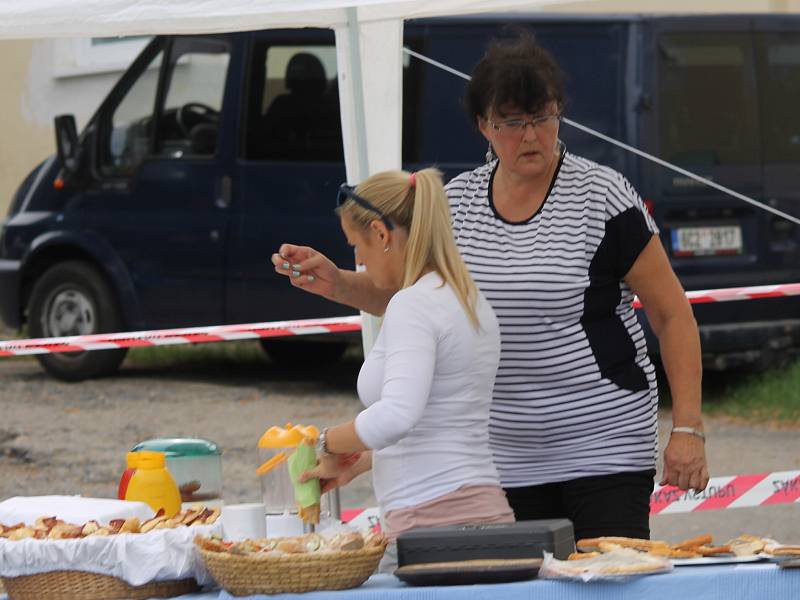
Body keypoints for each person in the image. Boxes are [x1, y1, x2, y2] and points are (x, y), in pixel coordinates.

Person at [273, 33, 708, 541]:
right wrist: (341, 284)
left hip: (603, 445)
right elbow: (426, 306)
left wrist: (687, 428)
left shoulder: (603, 196)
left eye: (543, 117)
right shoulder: (456, 205)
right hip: (501, 456)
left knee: (605, 583)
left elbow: (671, 313)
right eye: (513, 123)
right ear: (483, 124)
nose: (532, 136)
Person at [295, 168, 514, 547]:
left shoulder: (412, 304)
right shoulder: (467, 299)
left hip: (431, 519)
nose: (358, 259)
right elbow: (439, 424)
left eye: (355, 245)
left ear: (380, 234)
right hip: (478, 506)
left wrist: (326, 442)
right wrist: (359, 460)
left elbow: (397, 414)